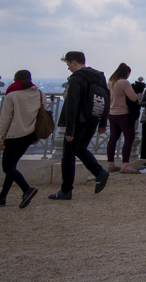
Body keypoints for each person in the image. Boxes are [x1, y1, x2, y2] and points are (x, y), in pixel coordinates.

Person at [50, 51, 109, 200]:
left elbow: (72, 105)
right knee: (81, 149)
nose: (68, 68)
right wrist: (103, 121)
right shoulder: (98, 76)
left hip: (78, 121)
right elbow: (106, 98)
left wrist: (69, 129)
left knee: (68, 156)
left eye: (68, 64)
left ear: (74, 62)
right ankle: (99, 172)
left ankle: (66, 190)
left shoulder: (76, 79)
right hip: (93, 118)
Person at [0, 70, 41, 208]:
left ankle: (27, 189)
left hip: (13, 136)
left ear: (15, 80)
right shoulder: (40, 94)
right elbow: (42, 117)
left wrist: (0, 139)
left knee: (7, 167)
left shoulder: (11, 96)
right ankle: (2, 197)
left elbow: (4, 120)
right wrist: (37, 136)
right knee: (12, 166)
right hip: (29, 135)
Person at [106, 63, 140, 174]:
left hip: (111, 113)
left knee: (113, 138)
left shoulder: (110, 82)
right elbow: (133, 97)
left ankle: (110, 164)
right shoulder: (124, 82)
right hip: (123, 113)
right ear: (126, 73)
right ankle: (125, 164)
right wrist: (137, 91)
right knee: (129, 138)